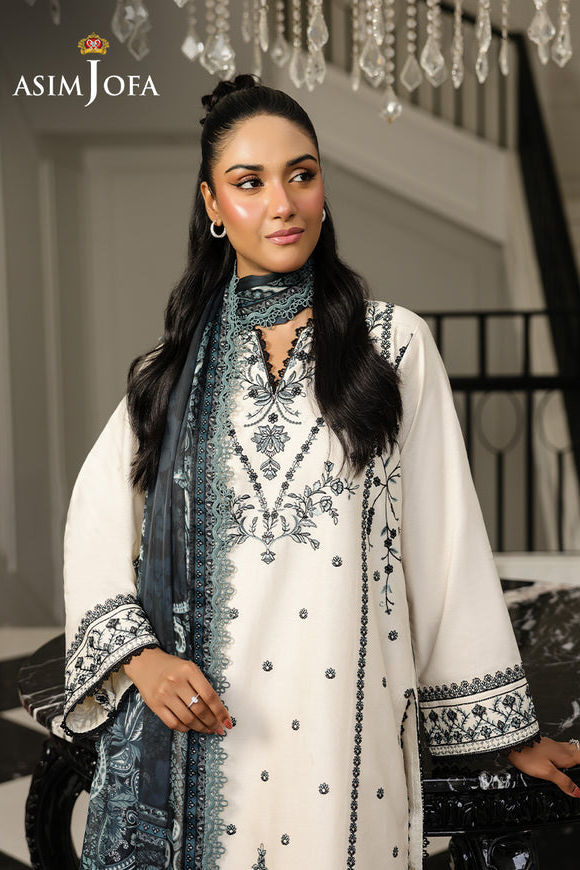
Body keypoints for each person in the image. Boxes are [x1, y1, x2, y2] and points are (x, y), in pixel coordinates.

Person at [62, 75, 580, 870]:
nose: (283, 203)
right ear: (211, 204)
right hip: (205, 740)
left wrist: (505, 735)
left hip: (346, 741)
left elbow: (444, 551)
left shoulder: (393, 347)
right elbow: (97, 525)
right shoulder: (166, 374)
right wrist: (144, 660)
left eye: (301, 174)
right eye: (250, 182)